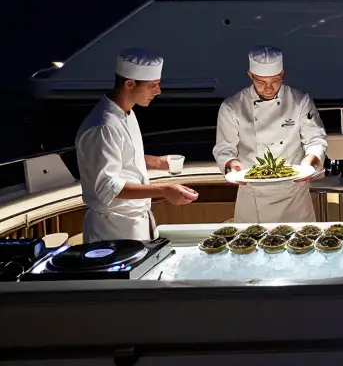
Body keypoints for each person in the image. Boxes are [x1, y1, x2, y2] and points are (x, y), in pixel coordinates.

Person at [75, 48, 198, 243]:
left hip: (136, 222)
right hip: (114, 229)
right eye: (153, 86)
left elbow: (123, 158)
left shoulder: (127, 113)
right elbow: (108, 188)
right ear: (130, 84)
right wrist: (164, 190)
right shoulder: (103, 127)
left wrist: (156, 162)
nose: (158, 91)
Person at [213, 46, 327, 223]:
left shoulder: (299, 100)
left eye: (275, 81)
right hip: (253, 194)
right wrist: (232, 164)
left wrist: (309, 162)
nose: (268, 88)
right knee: (252, 247)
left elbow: (316, 139)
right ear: (250, 76)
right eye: (260, 82)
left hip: (293, 194)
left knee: (300, 246)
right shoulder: (232, 107)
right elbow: (224, 148)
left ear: (282, 74)